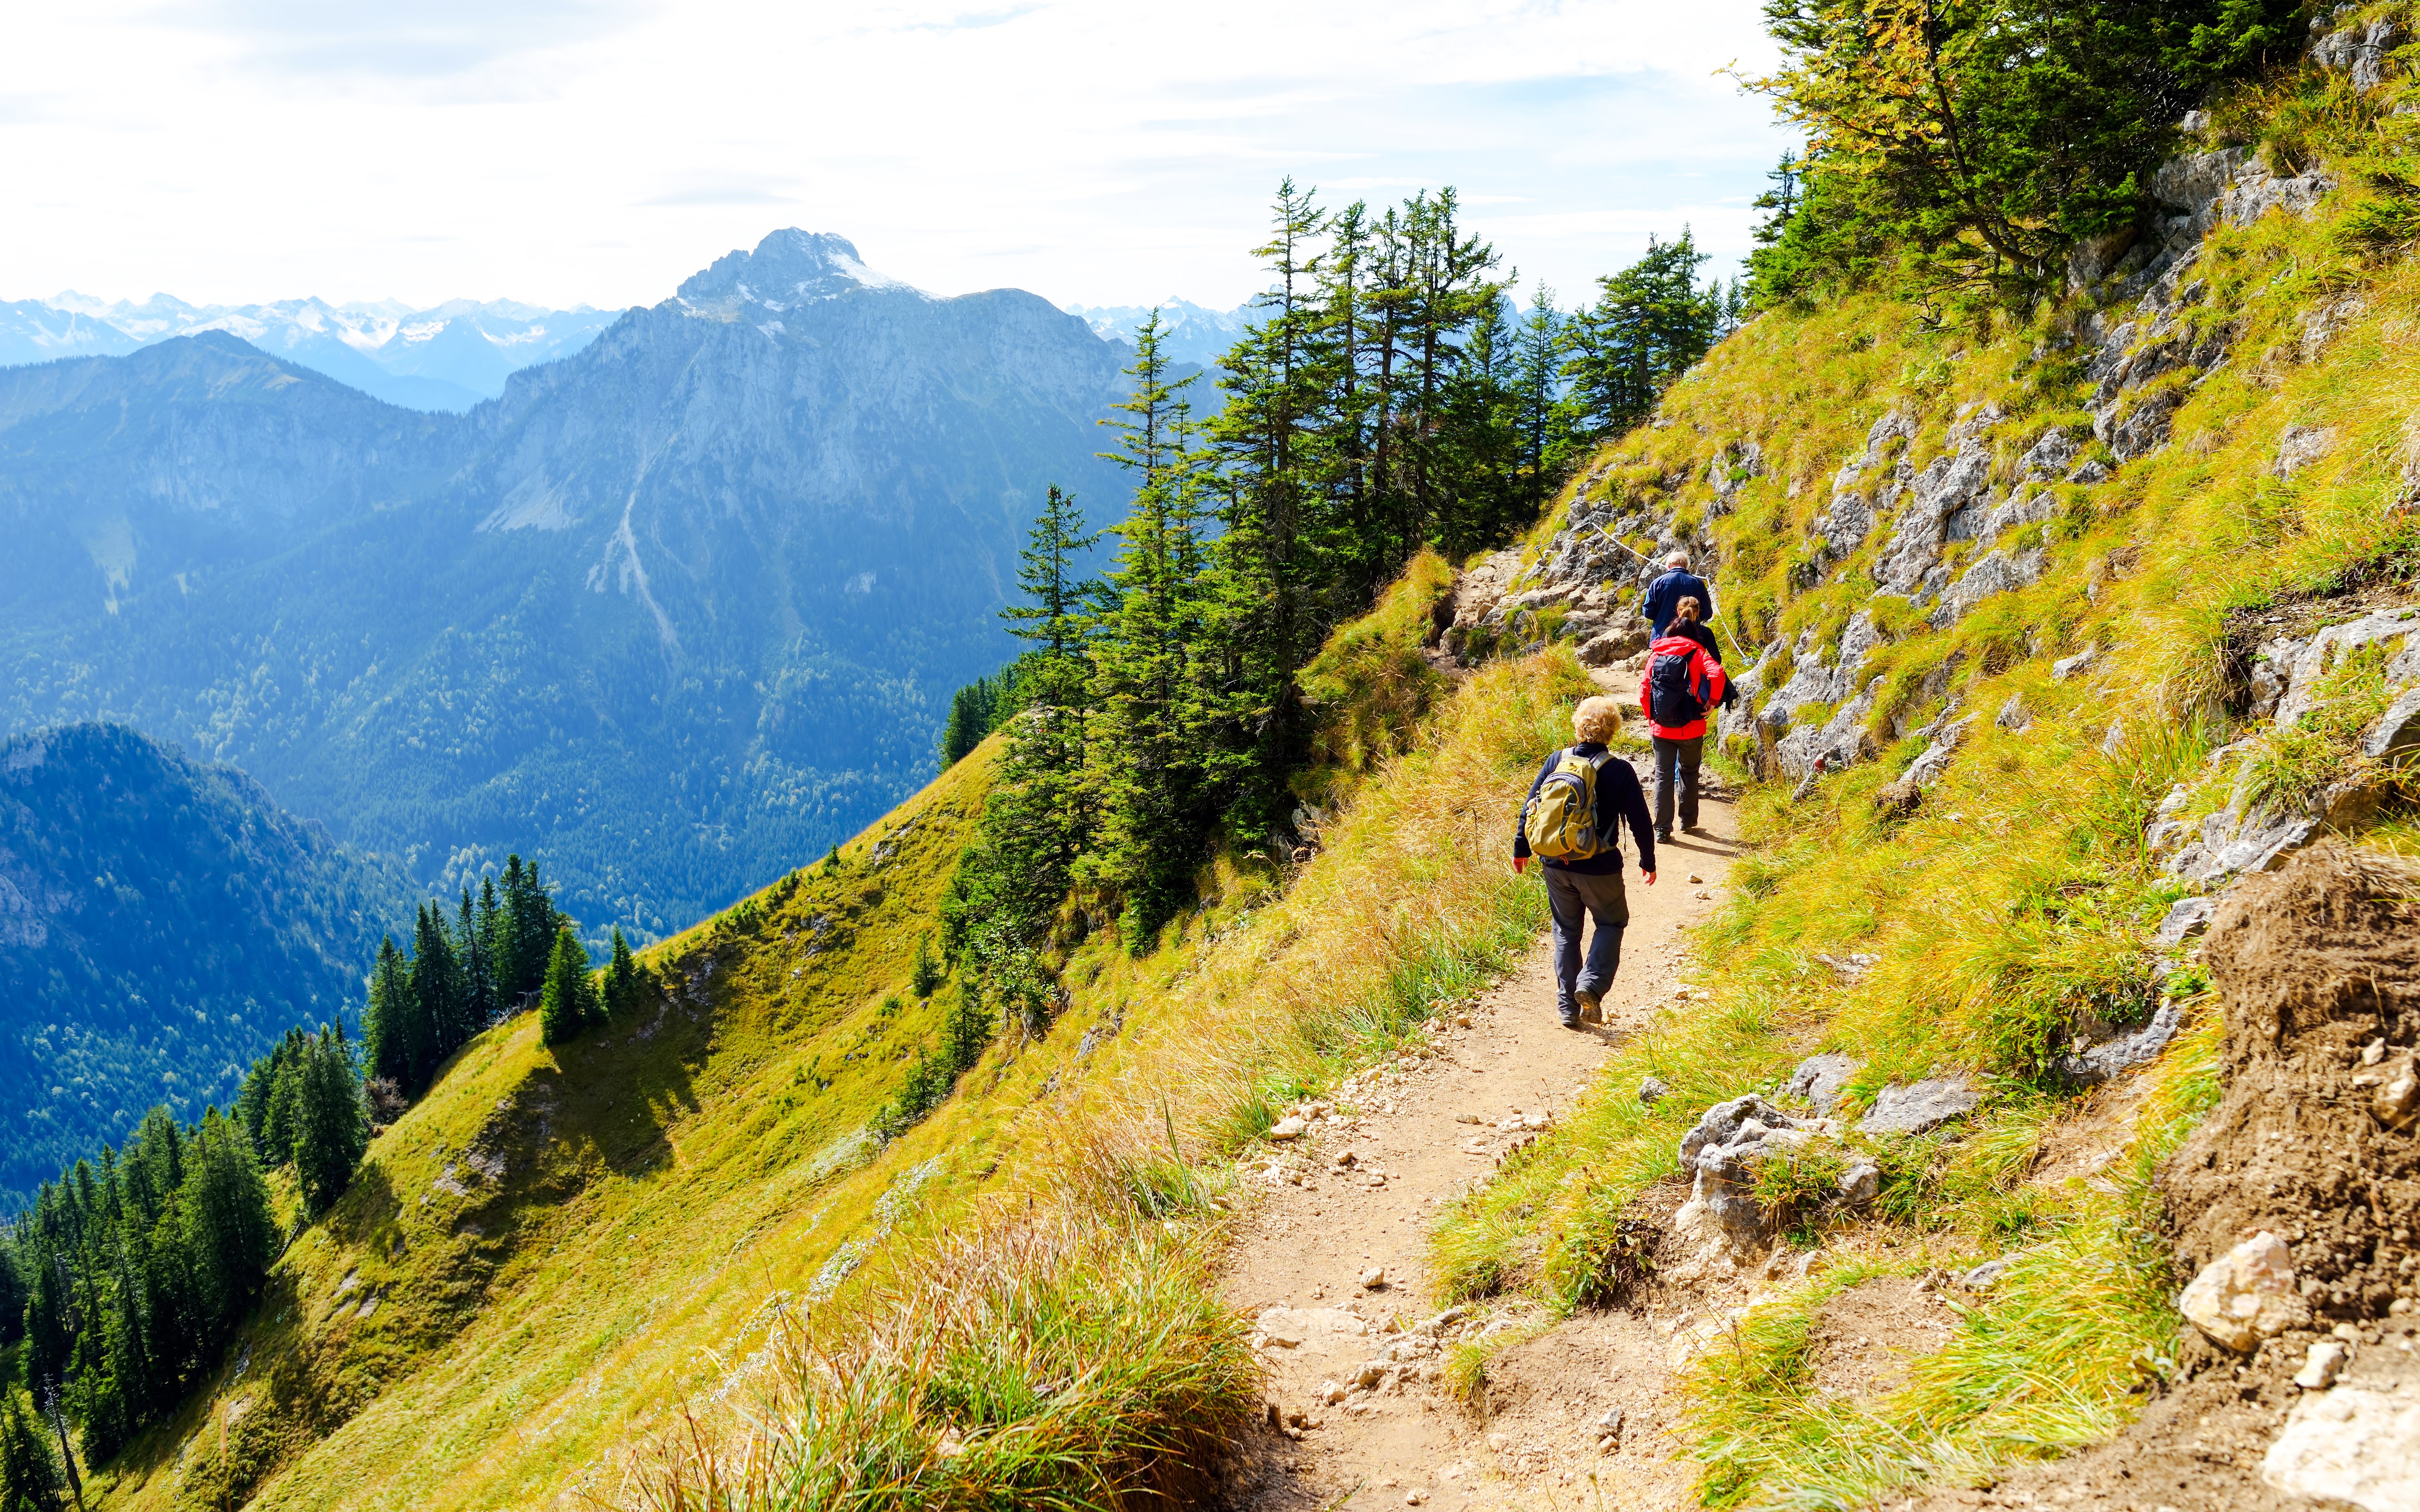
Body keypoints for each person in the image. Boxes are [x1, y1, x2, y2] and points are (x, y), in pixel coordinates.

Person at [1511, 696, 1656, 1029]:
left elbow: (1530, 807)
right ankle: (1590, 985)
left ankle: (1567, 1008)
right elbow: (1640, 820)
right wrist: (1647, 860)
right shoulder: (1619, 770)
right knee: (1610, 923)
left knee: (1566, 931)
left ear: (1579, 726)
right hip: (1600, 865)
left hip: (1555, 863)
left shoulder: (1556, 761)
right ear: (1612, 731)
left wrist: (1522, 848)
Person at [1641, 598, 1728, 843]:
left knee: (1662, 774)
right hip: (1692, 726)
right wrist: (1711, 702)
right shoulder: (1697, 652)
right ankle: (1688, 822)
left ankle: (1662, 829)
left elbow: (1644, 689)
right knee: (1689, 771)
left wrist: (1652, 717)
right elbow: (1718, 673)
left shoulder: (1656, 653)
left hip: (1661, 727)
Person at [1643, 551, 1715, 639]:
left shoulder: (1657, 583)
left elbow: (1647, 611)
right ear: (1686, 565)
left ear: (1668, 566)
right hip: (1691, 638)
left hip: (1661, 638)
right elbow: (1707, 613)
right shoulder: (1698, 583)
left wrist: (1662, 618)